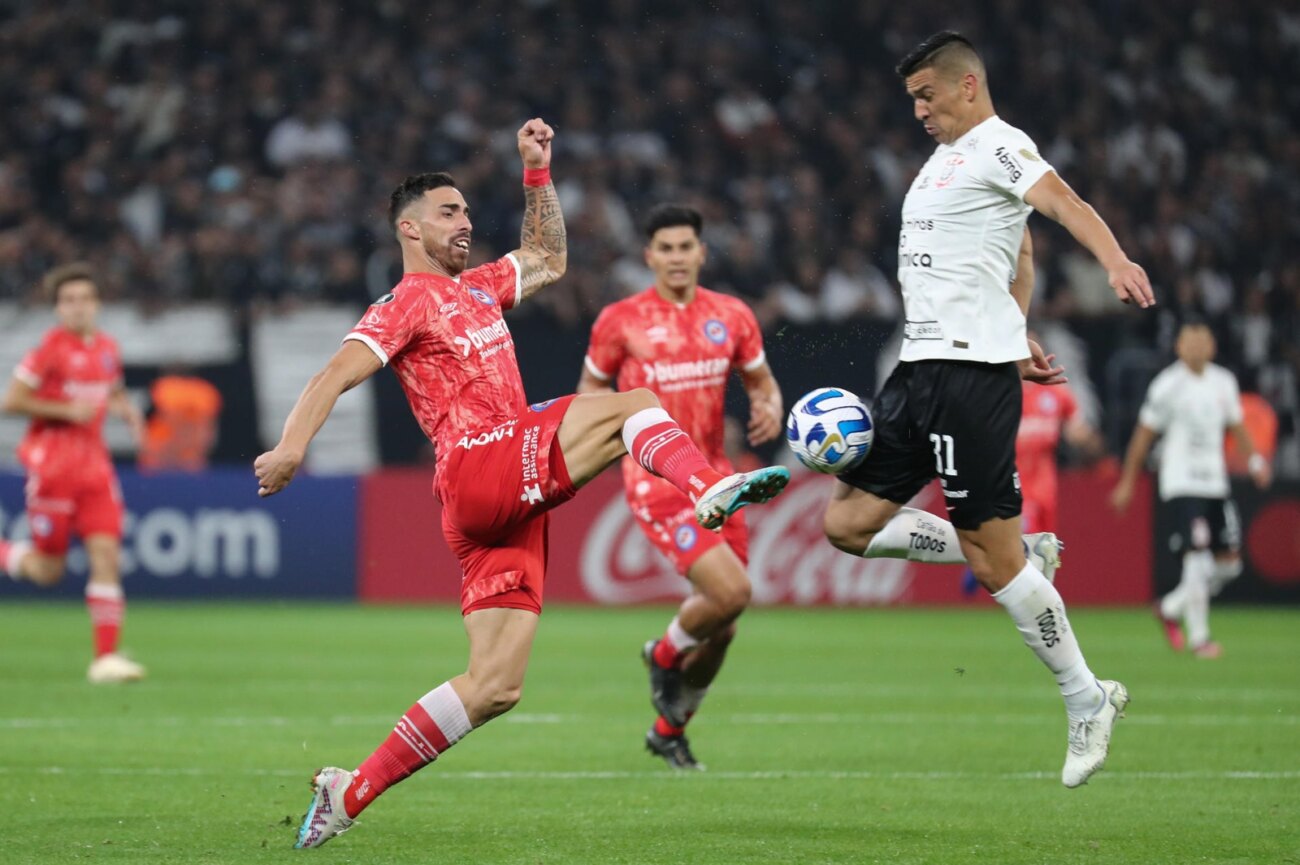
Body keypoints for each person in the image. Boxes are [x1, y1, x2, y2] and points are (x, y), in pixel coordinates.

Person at [254, 119, 791, 849]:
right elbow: (334, 373)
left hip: (501, 504)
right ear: (409, 229)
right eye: (450, 211)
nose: (466, 222)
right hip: (479, 463)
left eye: (470, 211)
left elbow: (546, 257)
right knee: (635, 404)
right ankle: (704, 487)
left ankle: (347, 792)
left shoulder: (478, 290)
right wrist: (291, 446)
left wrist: (537, 171)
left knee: (495, 686)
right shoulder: (405, 302)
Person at [819, 32, 1155, 788]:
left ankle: (1086, 696)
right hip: (918, 369)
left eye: (926, 96)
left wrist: (1113, 260)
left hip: (968, 380)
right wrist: (1017, 325)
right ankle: (1024, 553)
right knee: (845, 525)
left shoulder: (1002, 145)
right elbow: (1020, 254)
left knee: (992, 562)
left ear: (967, 86)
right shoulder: (943, 162)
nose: (918, 111)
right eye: (912, 99)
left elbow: (1061, 204)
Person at [577, 204, 784, 770]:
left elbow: (763, 382)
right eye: (664, 248)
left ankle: (669, 729)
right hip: (658, 484)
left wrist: (769, 405)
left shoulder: (733, 315)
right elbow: (590, 399)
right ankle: (664, 655)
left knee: (723, 628)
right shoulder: (620, 321)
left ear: (701, 252)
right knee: (732, 594)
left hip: (722, 477)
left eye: (684, 246)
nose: (675, 257)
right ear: (649, 255)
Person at [0, 263, 146, 683]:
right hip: (52, 469)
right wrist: (64, 409)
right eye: (68, 300)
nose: (77, 307)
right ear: (58, 309)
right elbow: (12, 400)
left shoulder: (106, 347)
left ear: (97, 304)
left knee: (107, 555)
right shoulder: (49, 349)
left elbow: (110, 387)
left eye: (84, 299)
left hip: (95, 469)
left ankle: (105, 659)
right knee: (49, 571)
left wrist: (126, 410)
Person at [1110, 321, 1271, 658]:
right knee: (1197, 558)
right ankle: (1200, 638)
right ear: (1179, 346)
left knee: (1230, 564)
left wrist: (1255, 461)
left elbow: (1236, 425)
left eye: (1203, 341)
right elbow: (1143, 436)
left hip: (1216, 481)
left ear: (1212, 346)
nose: (1197, 347)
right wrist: (1127, 482)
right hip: (1182, 482)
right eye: (1190, 341)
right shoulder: (1167, 385)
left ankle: (1170, 606)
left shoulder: (1223, 382)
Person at [961, 322, 1105, 595]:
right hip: (1011, 483)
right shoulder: (997, 395)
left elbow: (1076, 430)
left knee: (1046, 550)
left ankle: (994, 566)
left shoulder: (1056, 395)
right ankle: (998, 571)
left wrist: (1090, 441)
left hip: (1046, 485)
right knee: (1024, 541)